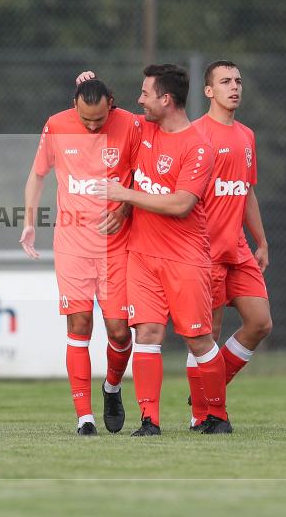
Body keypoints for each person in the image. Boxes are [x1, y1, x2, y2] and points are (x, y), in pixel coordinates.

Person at [84, 64, 232, 435]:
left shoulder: (198, 146)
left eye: (146, 93)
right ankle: (150, 420)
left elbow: (181, 203)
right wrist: (91, 86)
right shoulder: (144, 128)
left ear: (166, 99)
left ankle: (216, 415)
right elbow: (110, 114)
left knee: (199, 338)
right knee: (146, 335)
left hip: (186, 259)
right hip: (143, 257)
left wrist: (125, 195)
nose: (140, 100)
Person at [20, 78, 140, 435]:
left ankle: (113, 388)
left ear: (112, 105)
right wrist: (29, 223)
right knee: (79, 325)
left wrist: (125, 209)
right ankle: (84, 418)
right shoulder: (56, 126)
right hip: (72, 244)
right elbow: (37, 175)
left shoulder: (132, 125)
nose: (91, 126)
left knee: (119, 333)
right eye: (85, 119)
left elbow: (145, 178)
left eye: (99, 120)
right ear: (74, 103)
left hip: (117, 245)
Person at [185, 61, 272, 429]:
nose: (234, 87)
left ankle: (207, 390)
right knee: (208, 336)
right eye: (225, 82)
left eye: (237, 81)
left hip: (237, 250)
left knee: (260, 323)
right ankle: (200, 414)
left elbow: (246, 191)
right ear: (209, 91)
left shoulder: (246, 135)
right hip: (206, 252)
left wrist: (262, 240)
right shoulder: (195, 135)